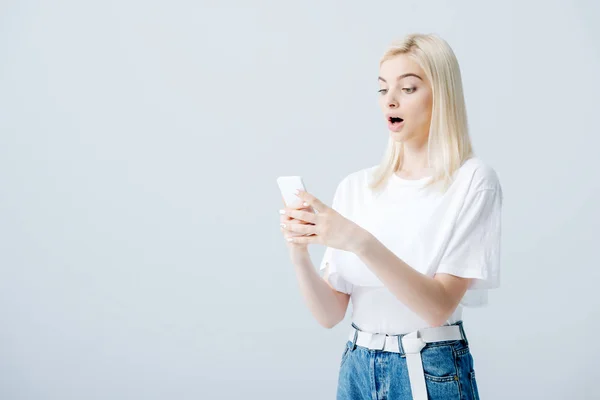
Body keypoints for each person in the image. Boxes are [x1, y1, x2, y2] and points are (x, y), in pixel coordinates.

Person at [278, 33, 502, 400]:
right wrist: (298, 249)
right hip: (357, 366)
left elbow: (437, 307)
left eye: (408, 88)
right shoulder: (356, 186)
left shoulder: (473, 182)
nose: (391, 101)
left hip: (428, 369)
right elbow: (330, 314)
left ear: (441, 96)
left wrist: (358, 241)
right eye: (383, 89)